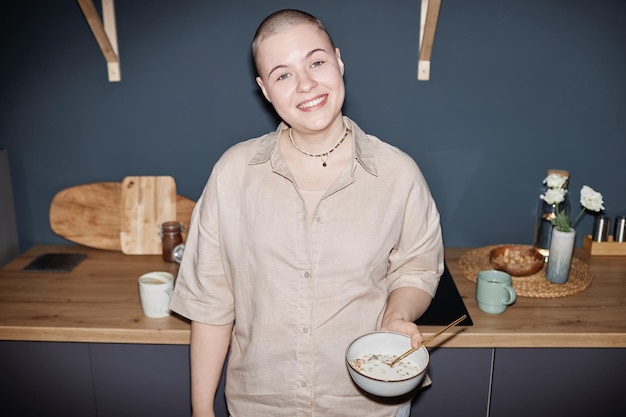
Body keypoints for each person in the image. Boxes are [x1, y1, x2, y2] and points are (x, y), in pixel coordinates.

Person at [169, 9, 444, 417]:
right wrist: (200, 409)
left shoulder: (398, 174)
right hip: (259, 404)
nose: (306, 84)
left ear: (338, 60)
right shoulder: (233, 173)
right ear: (265, 90)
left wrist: (397, 314)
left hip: (367, 406)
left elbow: (417, 268)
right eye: (283, 75)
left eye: (316, 62)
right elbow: (212, 301)